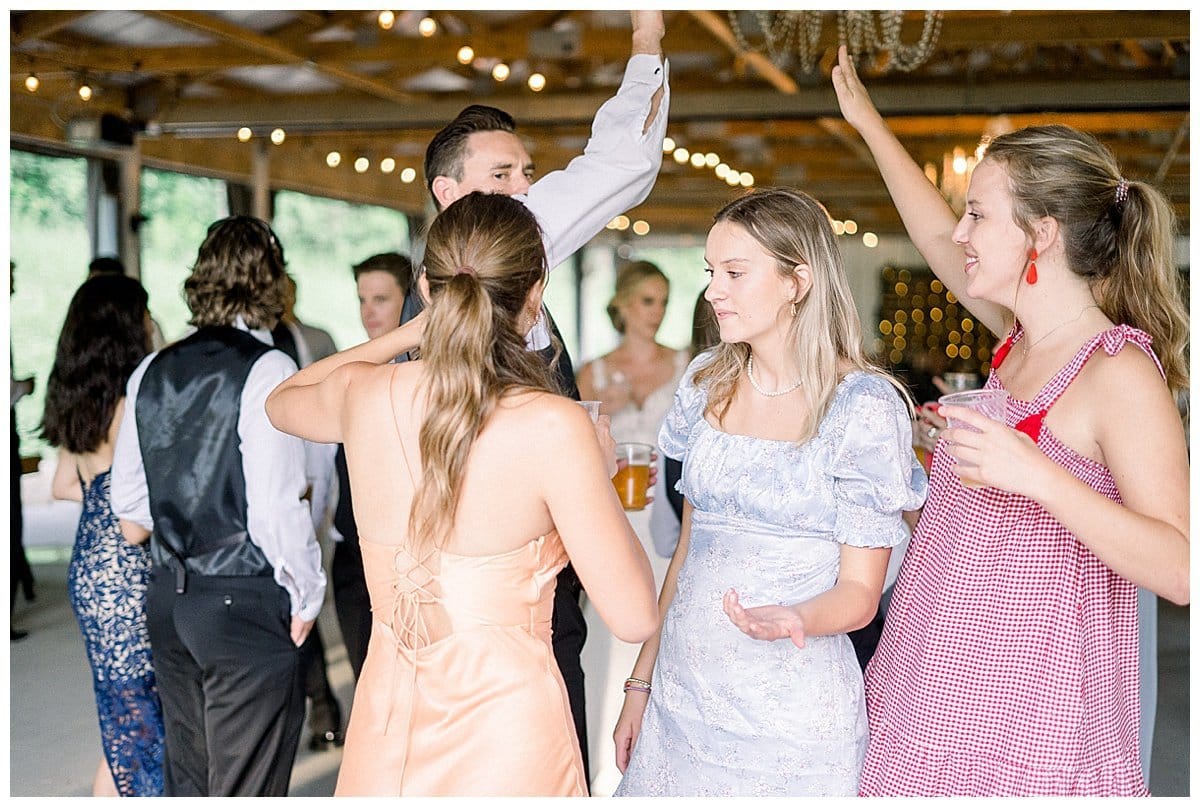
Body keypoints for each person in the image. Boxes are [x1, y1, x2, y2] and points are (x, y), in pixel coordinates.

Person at [832, 46, 1189, 796]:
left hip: (1034, 710)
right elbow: (933, 240)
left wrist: (1038, 476)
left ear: (1044, 234)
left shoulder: (1115, 369)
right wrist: (867, 122)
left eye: (978, 213)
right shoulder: (1016, 341)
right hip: (937, 673)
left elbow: (1180, 568)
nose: (960, 233)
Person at [266, 191, 658, 796]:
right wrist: (599, 476)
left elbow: (283, 399)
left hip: (389, 718)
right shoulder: (553, 425)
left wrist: (407, 336)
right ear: (535, 294)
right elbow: (635, 615)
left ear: (426, 287)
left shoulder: (366, 396)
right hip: (507, 729)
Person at [397, 12, 669, 787]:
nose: (525, 190)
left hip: (552, 589)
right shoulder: (431, 331)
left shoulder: (520, 250)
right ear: (449, 194)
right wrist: (646, 42)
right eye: (502, 177)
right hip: (490, 600)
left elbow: (619, 168)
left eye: (525, 173)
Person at [613, 187, 927, 796]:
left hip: (792, 714)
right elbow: (687, 555)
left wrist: (795, 617)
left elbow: (861, 592)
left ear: (797, 281)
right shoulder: (706, 382)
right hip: (681, 699)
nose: (712, 291)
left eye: (734, 272)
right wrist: (640, 683)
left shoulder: (862, 406)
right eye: (711, 272)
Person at [110, 216, 326, 796]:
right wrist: (306, 593)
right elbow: (275, 508)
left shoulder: (150, 369)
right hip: (243, 598)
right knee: (246, 784)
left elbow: (128, 503)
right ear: (272, 282)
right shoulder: (268, 368)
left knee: (192, 779)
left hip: (169, 597)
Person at [40, 274, 165, 796]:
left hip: (88, 562)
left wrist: (102, 490)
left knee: (121, 716)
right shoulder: (130, 401)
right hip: (124, 566)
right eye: (145, 312)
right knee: (143, 720)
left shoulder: (79, 397)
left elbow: (64, 486)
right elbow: (137, 520)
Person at [574, 260, 687, 794]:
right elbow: (566, 461)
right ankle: (602, 771)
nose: (657, 312)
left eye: (663, 301)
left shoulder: (687, 364)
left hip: (669, 520)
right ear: (620, 304)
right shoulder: (592, 374)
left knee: (667, 627)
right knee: (609, 633)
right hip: (613, 519)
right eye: (647, 300)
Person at [329, 251, 415, 683]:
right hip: (352, 551)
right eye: (362, 299)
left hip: (412, 559)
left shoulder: (430, 373)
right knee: (365, 679)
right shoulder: (351, 370)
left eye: (380, 298)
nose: (368, 311)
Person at [271, 272, 346, 752]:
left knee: (302, 594)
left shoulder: (315, 339)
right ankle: (314, 703)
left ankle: (321, 703)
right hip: (269, 476)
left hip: (310, 477)